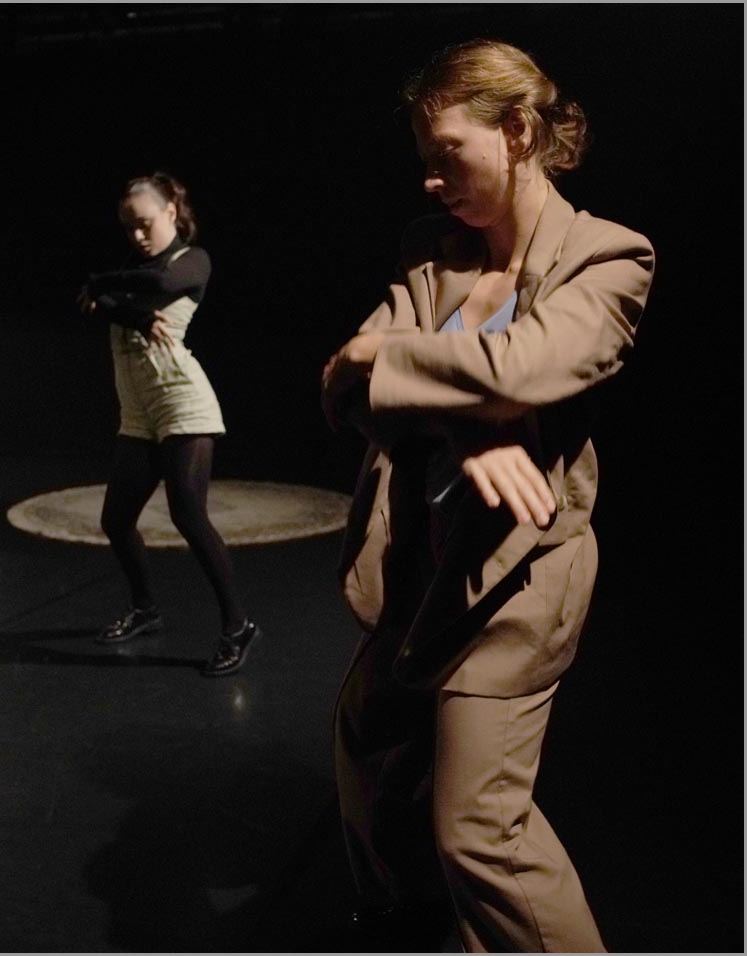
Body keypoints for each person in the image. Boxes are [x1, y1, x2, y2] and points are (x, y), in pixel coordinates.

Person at [321, 40, 654, 952]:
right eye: (423, 161)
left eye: (446, 155)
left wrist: (378, 354)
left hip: (515, 576)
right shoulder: (433, 256)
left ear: (515, 132)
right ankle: (407, 916)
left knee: (479, 832)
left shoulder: (607, 257)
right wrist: (466, 430)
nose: (430, 181)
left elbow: (523, 367)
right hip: (417, 561)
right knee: (368, 743)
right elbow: (342, 393)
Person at [78, 172, 261, 677]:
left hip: (182, 400)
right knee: (117, 520)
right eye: (129, 227)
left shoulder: (191, 261)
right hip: (137, 408)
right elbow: (94, 304)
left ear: (171, 213)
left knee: (187, 513)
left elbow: (153, 288)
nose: (138, 235)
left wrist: (102, 289)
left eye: (145, 223)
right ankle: (145, 609)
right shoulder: (129, 270)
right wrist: (124, 309)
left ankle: (238, 626)